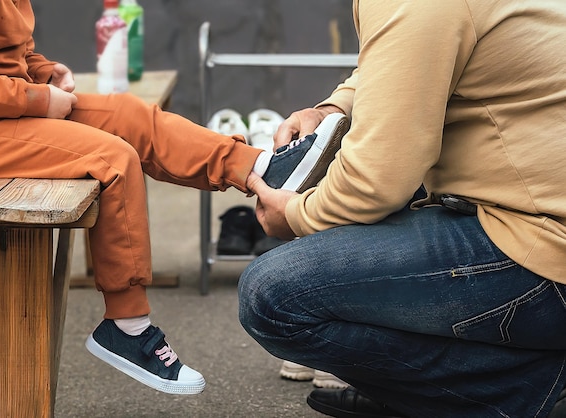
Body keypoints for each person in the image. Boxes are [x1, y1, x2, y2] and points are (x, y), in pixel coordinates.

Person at [0, 0, 348, 396]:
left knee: (130, 116)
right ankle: (127, 326)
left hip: (0, 110)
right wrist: (39, 100)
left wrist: (42, 71)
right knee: (114, 160)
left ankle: (260, 167)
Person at [238, 1, 566, 417]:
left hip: (547, 255)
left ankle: (514, 389)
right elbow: (414, 52)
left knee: (275, 294)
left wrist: (297, 215)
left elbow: (375, 181)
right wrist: (335, 107)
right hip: (543, 222)